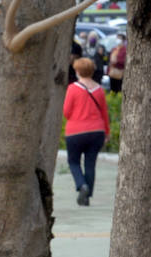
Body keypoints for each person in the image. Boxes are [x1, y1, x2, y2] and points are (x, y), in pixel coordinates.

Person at [63, 57, 110, 207]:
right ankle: (87, 196)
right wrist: (106, 132)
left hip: (75, 131)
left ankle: (82, 185)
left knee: (73, 161)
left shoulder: (72, 88)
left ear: (77, 71)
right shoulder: (100, 90)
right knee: (90, 163)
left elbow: (66, 112)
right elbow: (104, 113)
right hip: (97, 131)